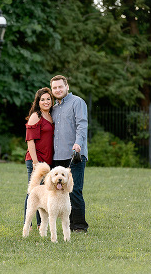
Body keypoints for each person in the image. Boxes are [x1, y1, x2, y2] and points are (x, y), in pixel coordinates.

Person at [50, 75, 89, 233]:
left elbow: (82, 124)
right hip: (57, 157)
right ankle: (66, 224)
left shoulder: (77, 102)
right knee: (59, 192)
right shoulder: (53, 107)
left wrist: (78, 143)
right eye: (55, 88)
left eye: (60, 87)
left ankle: (79, 226)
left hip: (75, 154)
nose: (58, 90)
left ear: (67, 86)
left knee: (74, 190)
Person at [23, 87, 55, 229]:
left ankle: (40, 223)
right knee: (34, 191)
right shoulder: (36, 116)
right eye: (43, 99)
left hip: (48, 161)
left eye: (48, 99)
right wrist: (35, 162)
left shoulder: (52, 115)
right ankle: (28, 224)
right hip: (36, 160)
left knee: (44, 192)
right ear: (38, 101)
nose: (46, 101)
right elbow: (30, 141)